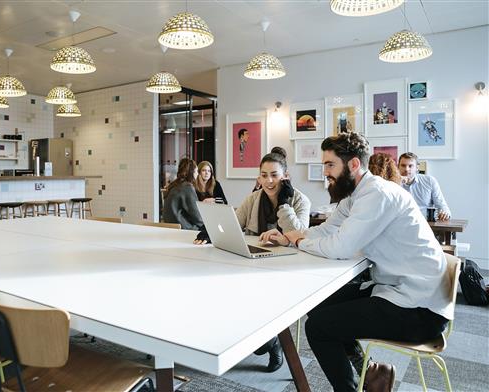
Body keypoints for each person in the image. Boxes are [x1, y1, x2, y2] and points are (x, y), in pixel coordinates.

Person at [260, 133, 451, 392]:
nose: (325, 172)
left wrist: (297, 242)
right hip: (400, 290)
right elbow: (328, 230)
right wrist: (290, 236)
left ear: (352, 165)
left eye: (330, 165)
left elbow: (341, 247)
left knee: (318, 328)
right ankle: (368, 371)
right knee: (319, 304)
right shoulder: (357, 194)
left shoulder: (377, 195)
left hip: (420, 309)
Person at [197, 152, 311, 373]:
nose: (268, 181)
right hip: (252, 263)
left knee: (254, 304)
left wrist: (284, 205)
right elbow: (233, 223)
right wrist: (211, 230)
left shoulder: (300, 200)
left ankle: (271, 341)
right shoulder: (253, 199)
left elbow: (300, 235)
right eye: (263, 175)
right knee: (220, 296)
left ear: (285, 176)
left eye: (274, 175)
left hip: (286, 269)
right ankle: (269, 341)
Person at [398, 152, 451, 221]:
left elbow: (441, 205)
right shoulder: (391, 184)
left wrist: (445, 213)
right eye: (403, 165)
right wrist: (397, 183)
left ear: (417, 168)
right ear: (398, 166)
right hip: (400, 224)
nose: (406, 169)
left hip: (425, 225)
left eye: (410, 166)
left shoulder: (429, 181)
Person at [162, 158, 203, 230]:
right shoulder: (187, 187)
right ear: (191, 172)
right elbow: (197, 217)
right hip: (183, 229)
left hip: (170, 227)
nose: (197, 174)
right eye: (196, 171)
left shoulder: (174, 185)